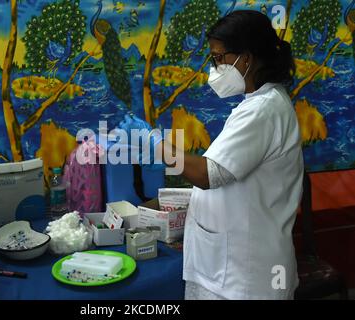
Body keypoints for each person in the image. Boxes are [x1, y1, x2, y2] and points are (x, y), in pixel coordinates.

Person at [118, 10, 304, 300]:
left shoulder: (263, 110)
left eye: (219, 58)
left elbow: (209, 174)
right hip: (232, 263)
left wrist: (151, 142)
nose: (214, 68)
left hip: (249, 273)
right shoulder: (257, 105)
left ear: (247, 58)